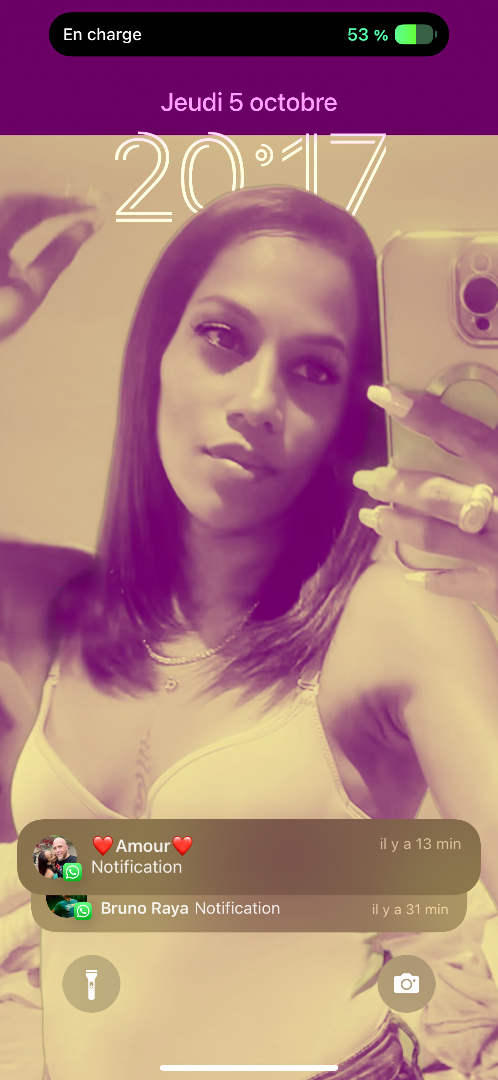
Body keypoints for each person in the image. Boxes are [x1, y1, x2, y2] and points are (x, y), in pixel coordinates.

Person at [1, 186, 498, 1080]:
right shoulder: (52, 610)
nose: (260, 400)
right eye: (223, 336)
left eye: (315, 370)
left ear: (348, 416)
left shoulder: (399, 618)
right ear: (155, 354)